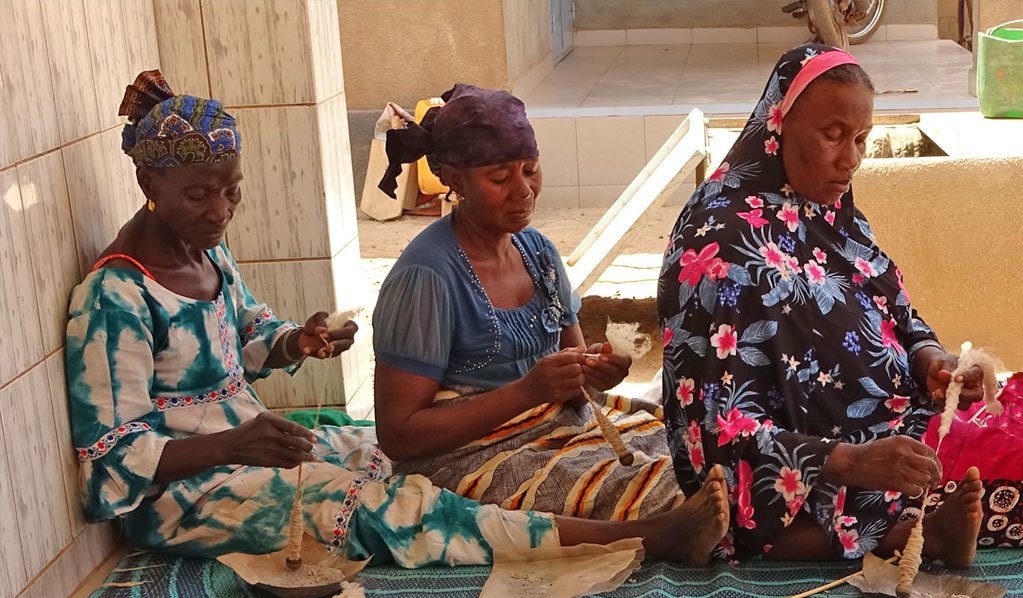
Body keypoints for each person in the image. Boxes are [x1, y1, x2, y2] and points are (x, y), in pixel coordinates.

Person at [66, 69, 728, 568]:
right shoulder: (115, 297)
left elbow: (245, 333)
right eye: (199, 195)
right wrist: (228, 446)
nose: (221, 209)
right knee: (401, 508)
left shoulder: (205, 254)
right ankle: (635, 540)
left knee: (371, 460)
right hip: (186, 491)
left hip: (252, 449)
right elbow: (106, 467)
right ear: (150, 190)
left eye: (231, 189)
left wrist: (298, 339)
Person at [657, 45, 988, 564]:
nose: (850, 158)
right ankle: (901, 534)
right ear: (779, 126)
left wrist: (934, 364)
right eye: (832, 135)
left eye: (860, 139)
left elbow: (901, 315)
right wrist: (849, 461)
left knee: (1001, 427)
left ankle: (909, 526)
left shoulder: (839, 218)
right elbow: (715, 425)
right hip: (797, 464)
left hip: (885, 431)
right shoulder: (721, 241)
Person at [372, 84, 727, 536]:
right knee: (653, 488)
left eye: (531, 170)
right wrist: (525, 392)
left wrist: (596, 370)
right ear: (455, 180)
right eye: (500, 179)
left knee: (695, 446)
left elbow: (577, 387)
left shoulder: (537, 252)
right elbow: (399, 436)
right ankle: (661, 536)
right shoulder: (426, 278)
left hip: (555, 426)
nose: (524, 191)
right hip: (463, 456)